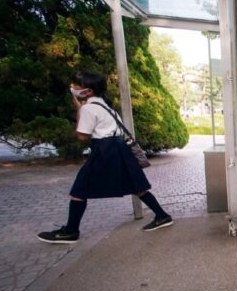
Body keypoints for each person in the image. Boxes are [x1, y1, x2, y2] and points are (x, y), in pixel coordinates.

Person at [37, 71, 173, 244]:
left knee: (79, 189)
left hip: (104, 151)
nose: (73, 88)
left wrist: (79, 108)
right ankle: (162, 215)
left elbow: (82, 135)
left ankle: (70, 232)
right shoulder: (107, 107)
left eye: (76, 86)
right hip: (119, 149)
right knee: (136, 185)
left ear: (88, 91)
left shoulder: (88, 108)